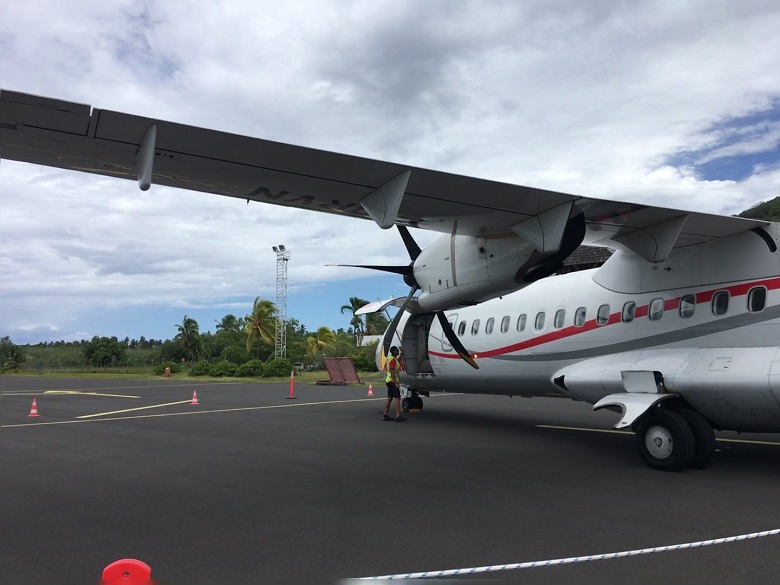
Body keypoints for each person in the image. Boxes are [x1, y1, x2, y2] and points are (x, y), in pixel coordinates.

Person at [382, 346, 407, 422]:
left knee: (390, 397)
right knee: (397, 397)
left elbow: (398, 361)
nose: (397, 352)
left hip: (389, 381)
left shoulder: (392, 359)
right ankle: (398, 415)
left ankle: (385, 414)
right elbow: (392, 371)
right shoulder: (392, 360)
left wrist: (402, 353)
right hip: (392, 381)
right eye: (397, 351)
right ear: (394, 352)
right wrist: (396, 382)